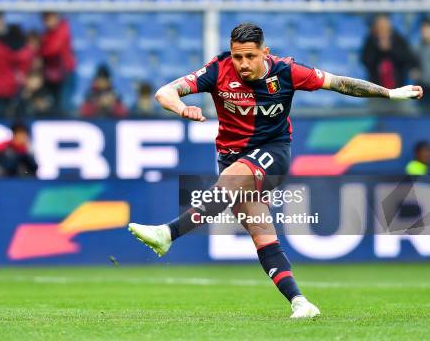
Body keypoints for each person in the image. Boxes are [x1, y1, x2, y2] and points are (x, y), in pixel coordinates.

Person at [127, 23, 423, 319]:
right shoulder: (218, 70)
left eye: (249, 57)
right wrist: (181, 108)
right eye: (237, 57)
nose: (242, 64)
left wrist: (391, 93)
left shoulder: (287, 71)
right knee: (261, 232)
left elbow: (341, 83)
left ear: (264, 52)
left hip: (273, 152)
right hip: (231, 156)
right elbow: (165, 92)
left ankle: (168, 232)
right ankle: (301, 302)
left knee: (229, 182)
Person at [362, 15, 418, 89]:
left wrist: (390, 50)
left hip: (398, 86)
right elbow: (366, 60)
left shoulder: (399, 39)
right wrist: (379, 50)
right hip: (376, 87)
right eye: (380, 26)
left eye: (385, 26)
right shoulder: (371, 40)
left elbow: (407, 59)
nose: (382, 29)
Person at [40, 12, 75, 112]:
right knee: (53, 105)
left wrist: (42, 50)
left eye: (50, 18)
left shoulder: (63, 30)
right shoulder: (46, 34)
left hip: (65, 73)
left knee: (64, 104)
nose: (47, 22)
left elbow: (52, 49)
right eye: (45, 19)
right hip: (51, 74)